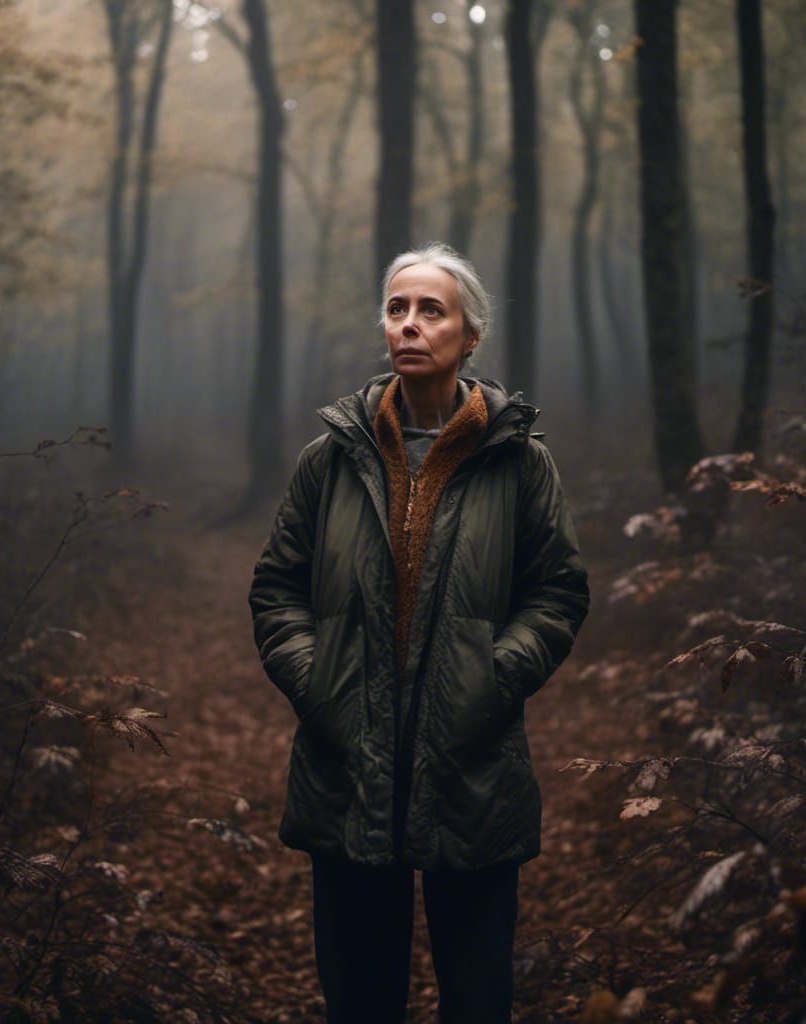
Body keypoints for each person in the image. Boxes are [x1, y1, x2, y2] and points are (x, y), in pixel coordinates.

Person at [248, 241, 590, 1024]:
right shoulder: (329, 458)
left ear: (470, 336)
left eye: (431, 310)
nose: (408, 324)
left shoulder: (520, 463)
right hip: (346, 771)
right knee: (360, 1001)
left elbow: (558, 593)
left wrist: (490, 679)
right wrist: (318, 680)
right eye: (397, 308)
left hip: (473, 768)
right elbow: (276, 588)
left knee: (476, 998)